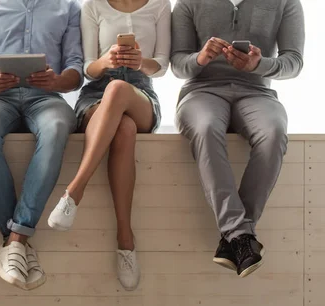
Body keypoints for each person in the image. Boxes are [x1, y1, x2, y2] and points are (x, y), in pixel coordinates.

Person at [171, 0, 304, 277]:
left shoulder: (286, 2)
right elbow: (178, 64)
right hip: (201, 92)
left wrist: (260, 63)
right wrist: (200, 58)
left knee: (274, 132)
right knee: (206, 128)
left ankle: (236, 237)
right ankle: (242, 236)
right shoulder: (187, 3)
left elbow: (294, 62)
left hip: (257, 93)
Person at [47, 0, 171, 290]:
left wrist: (141, 62)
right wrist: (107, 61)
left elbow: (163, 65)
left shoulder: (160, 5)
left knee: (119, 90)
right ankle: (125, 242)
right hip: (96, 96)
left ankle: (74, 191)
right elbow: (89, 68)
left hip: (140, 93)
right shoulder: (93, 6)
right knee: (124, 128)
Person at [0, 0, 83, 291]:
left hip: (46, 98)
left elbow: (76, 69)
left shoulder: (68, 7)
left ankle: (15, 240)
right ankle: (14, 241)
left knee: (57, 127)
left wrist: (56, 80)